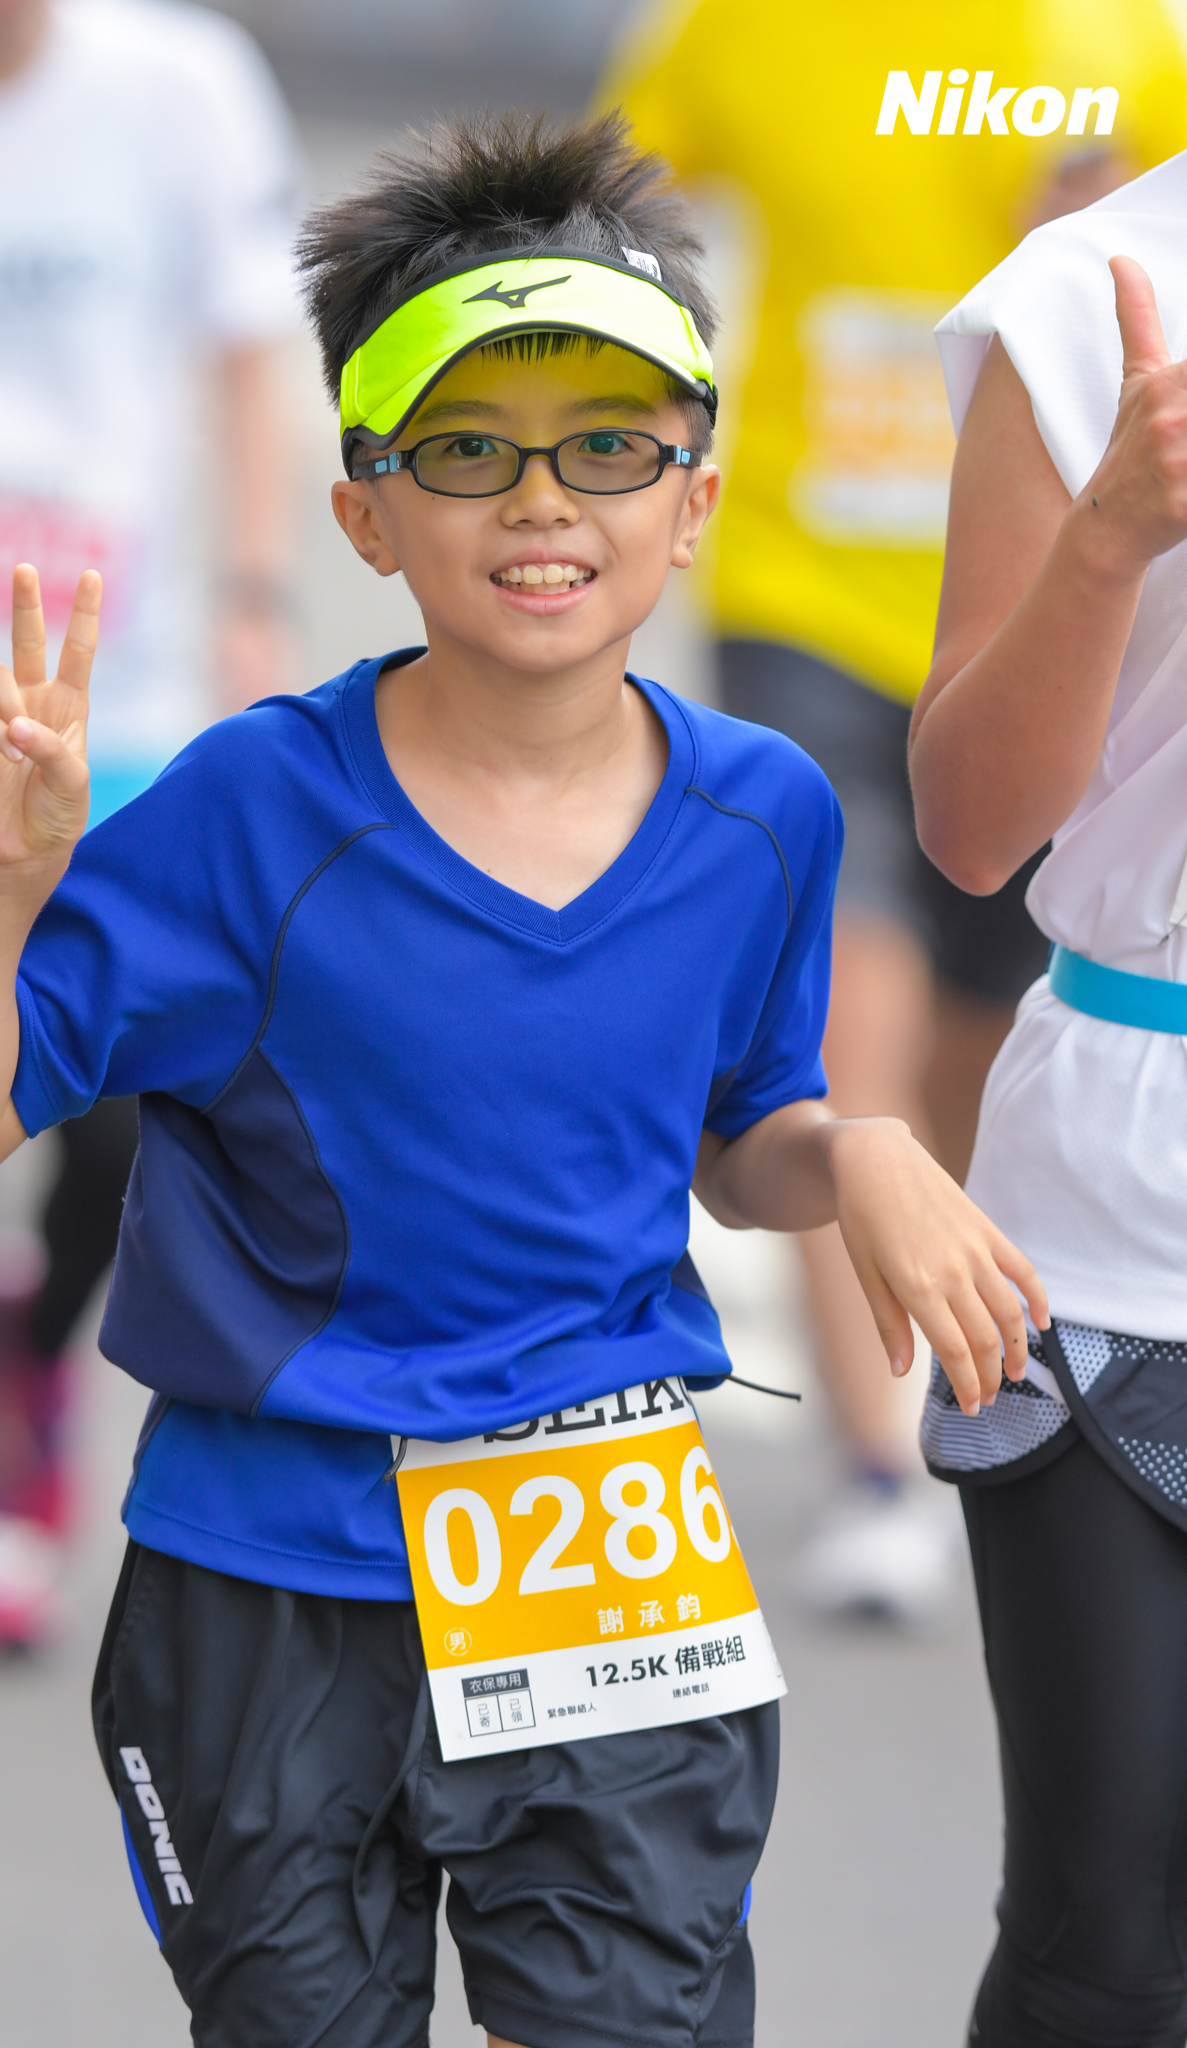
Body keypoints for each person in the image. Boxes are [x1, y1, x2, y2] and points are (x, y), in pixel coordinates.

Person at [0, 113, 1043, 2048]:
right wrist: (1, 885)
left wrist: (859, 1149)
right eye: (465, 452)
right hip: (271, 1572)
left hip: (606, 1564)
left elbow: (739, 1141)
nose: (540, 503)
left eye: (606, 448)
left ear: (692, 496)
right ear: (366, 511)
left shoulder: (758, 812)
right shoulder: (251, 809)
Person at [602, 0, 1187, 1623]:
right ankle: (875, 1466)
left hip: (1048, 625)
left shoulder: (1119, 35)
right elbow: (603, 218)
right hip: (806, 587)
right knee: (842, 1008)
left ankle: (994, 1368)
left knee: (974, 1044)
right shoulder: (743, 28)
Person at [0, 0, 303, 1645]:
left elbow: (245, 360)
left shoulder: (179, 84)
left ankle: (24, 1358)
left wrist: (251, 598)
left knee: (116, 1121)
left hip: (123, 696)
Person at [910, 160, 1187, 2044]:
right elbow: (970, 827)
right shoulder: (1090, 293)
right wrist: (1109, 541)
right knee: (1108, 1948)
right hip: (1120, 1207)